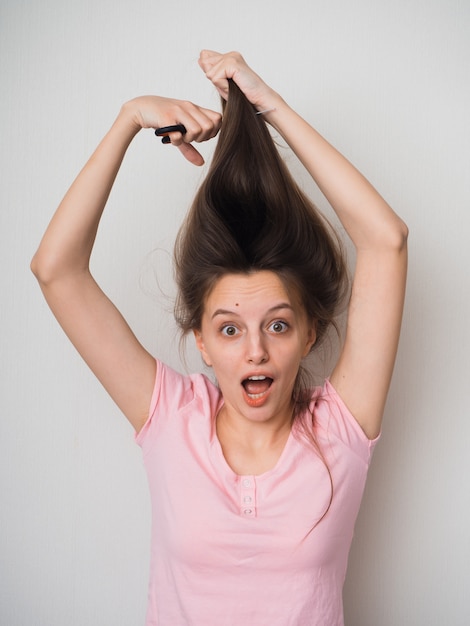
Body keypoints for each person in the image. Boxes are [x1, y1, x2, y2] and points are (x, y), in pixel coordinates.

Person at [31, 50, 408, 626]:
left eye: (278, 325)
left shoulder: (340, 432)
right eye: (229, 329)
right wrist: (129, 119)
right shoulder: (170, 417)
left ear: (309, 335)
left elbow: (386, 241)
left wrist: (268, 105)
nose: (255, 349)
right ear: (201, 342)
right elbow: (56, 269)